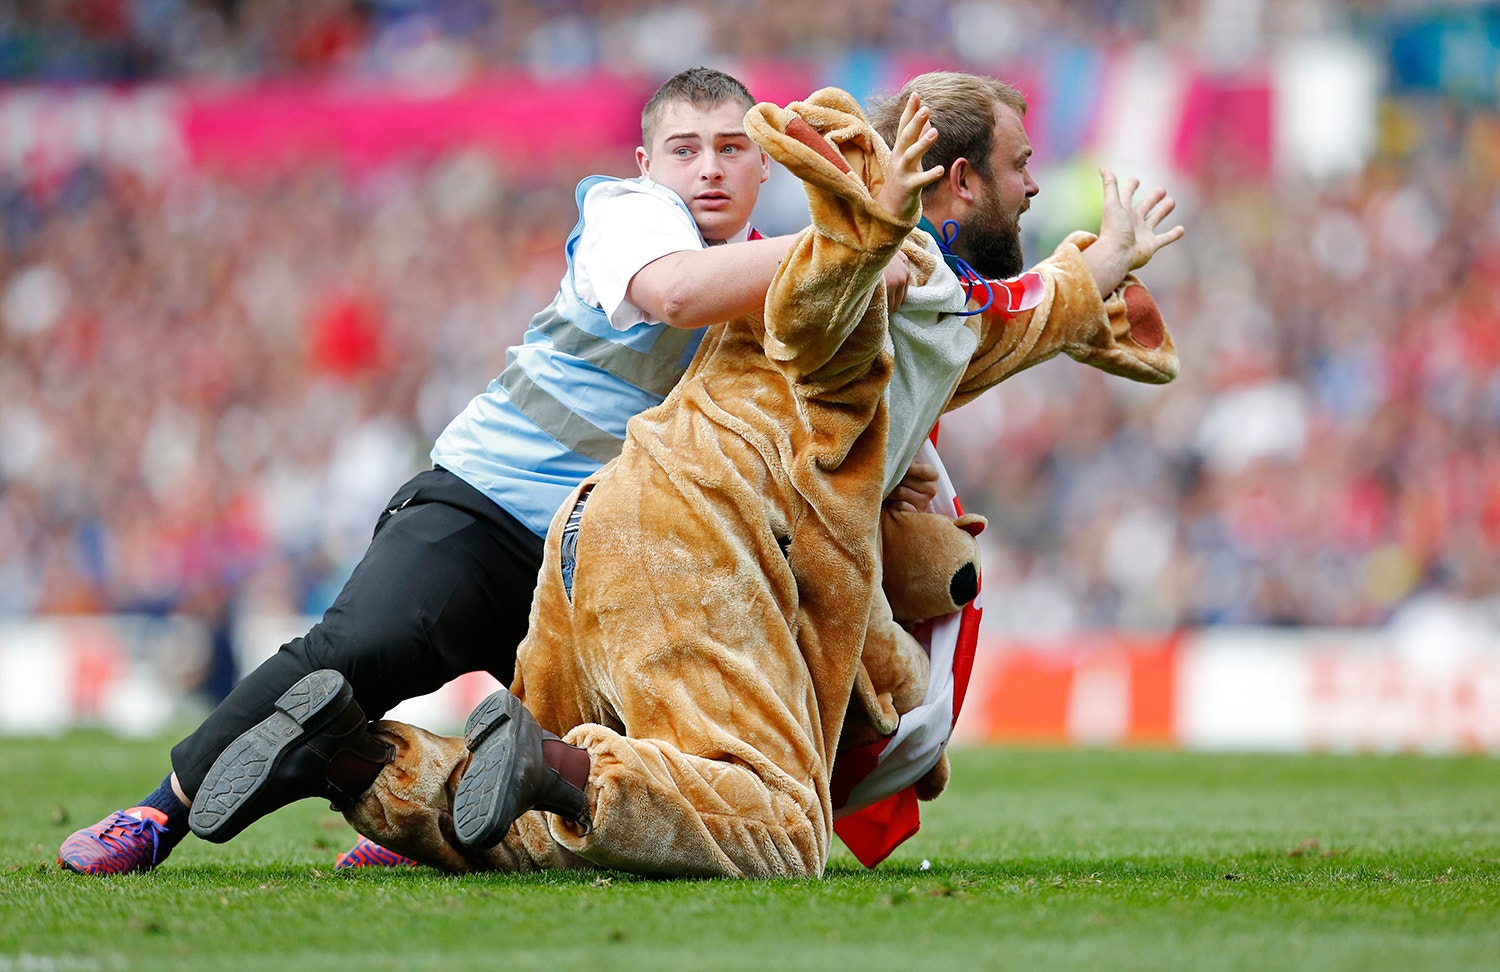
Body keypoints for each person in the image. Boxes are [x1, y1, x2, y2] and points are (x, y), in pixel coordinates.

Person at [303, 79, 1183, 878]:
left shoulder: (940, 300)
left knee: (564, 786)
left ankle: (376, 771)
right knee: (780, 831)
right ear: (960, 176)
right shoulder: (867, 269)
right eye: (1021, 164)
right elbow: (817, 313)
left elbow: (1022, 314)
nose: (1034, 185)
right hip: (699, 540)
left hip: (597, 522)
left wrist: (1111, 255)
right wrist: (864, 239)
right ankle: (559, 772)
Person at [57, 66, 813, 876]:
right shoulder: (626, 212)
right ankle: (156, 812)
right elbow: (672, 294)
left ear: (763, 164)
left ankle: (399, 809)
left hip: (606, 563)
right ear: (645, 163)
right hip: (487, 512)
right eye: (685, 148)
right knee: (357, 652)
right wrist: (844, 246)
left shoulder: (787, 277)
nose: (709, 167)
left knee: (627, 758)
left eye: (732, 148)